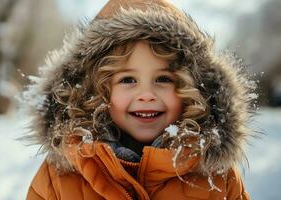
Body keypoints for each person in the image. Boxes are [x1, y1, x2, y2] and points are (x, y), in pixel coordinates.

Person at [24, 0, 257, 199]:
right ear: (97, 90)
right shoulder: (59, 177)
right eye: (127, 80)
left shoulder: (217, 176)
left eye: (164, 79)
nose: (146, 95)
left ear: (191, 88)